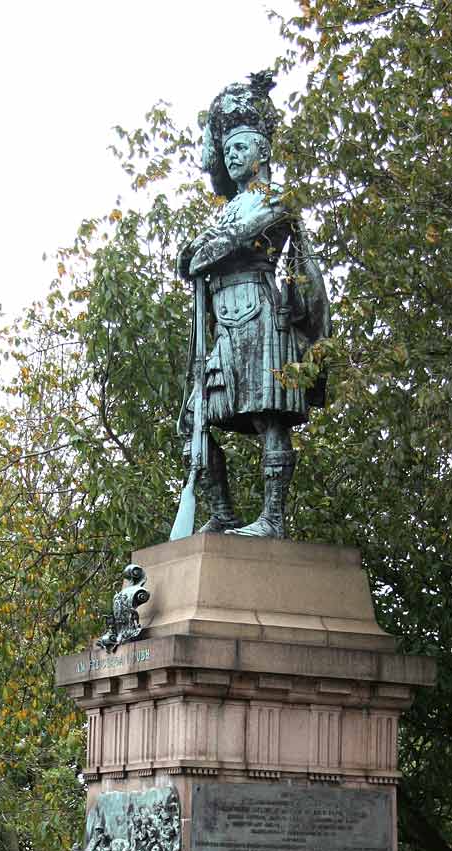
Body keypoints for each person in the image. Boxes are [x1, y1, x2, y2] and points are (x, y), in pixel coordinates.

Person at [177, 70, 331, 538]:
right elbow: (191, 259)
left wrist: (201, 250)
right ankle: (222, 513)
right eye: (227, 150)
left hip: (262, 315)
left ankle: (274, 519)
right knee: (192, 426)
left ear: (263, 151)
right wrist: (197, 253)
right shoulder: (226, 208)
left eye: (241, 147)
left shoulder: (276, 198)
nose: (231, 155)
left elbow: (218, 247)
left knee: (269, 418)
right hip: (223, 324)